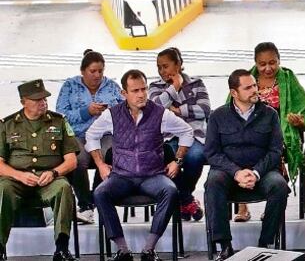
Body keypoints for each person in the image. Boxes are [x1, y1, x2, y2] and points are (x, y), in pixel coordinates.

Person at [87, 70, 194, 261]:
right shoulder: (111, 115)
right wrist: (101, 164)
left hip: (152, 175)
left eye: (143, 89)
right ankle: (123, 250)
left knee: (170, 191)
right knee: (100, 193)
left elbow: (187, 132)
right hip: (121, 176)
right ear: (124, 94)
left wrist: (177, 160)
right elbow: (91, 136)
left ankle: (149, 250)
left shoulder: (161, 114)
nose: (141, 94)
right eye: (135, 90)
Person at [204, 70, 289, 261]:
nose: (255, 90)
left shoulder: (270, 114)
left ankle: (265, 244)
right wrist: (236, 172)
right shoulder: (218, 116)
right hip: (228, 171)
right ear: (234, 93)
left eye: (254, 85)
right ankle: (224, 246)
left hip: (262, 170)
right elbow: (211, 153)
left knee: (279, 186)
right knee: (213, 182)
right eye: (248, 87)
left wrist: (256, 173)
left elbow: (275, 151)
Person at [0, 79, 78, 261]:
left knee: (64, 188)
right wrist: (19, 175)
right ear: (23, 102)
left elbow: (72, 161)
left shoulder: (59, 121)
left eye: (44, 98)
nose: (42, 102)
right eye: (37, 99)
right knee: (2, 190)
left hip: (49, 179)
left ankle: (62, 248)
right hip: (16, 181)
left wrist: (54, 173)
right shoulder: (7, 125)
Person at [235, 42, 305, 222]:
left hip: (280, 134)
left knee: (275, 150)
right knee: (238, 148)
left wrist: (299, 121)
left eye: (272, 63)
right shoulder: (246, 80)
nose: (268, 68)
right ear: (255, 63)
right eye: (262, 64)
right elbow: (232, 110)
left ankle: (272, 204)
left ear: (279, 60)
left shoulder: (288, 79)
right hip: (251, 133)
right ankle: (242, 206)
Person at [55, 49, 123, 224]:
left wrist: (110, 113)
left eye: (101, 71)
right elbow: (61, 115)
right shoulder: (70, 86)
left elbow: (126, 111)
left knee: (111, 155)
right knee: (77, 160)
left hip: (105, 134)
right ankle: (85, 204)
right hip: (78, 134)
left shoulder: (112, 87)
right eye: (93, 71)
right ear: (83, 71)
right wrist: (87, 111)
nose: (97, 75)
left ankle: (97, 197)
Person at [148, 47, 210, 222]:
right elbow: (155, 109)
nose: (162, 71)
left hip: (194, 135)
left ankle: (183, 198)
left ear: (179, 65)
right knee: (165, 158)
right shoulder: (155, 87)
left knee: (195, 156)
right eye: (159, 67)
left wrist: (178, 110)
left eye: (166, 66)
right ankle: (187, 200)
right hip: (167, 136)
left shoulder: (196, 83)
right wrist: (174, 87)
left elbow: (204, 109)